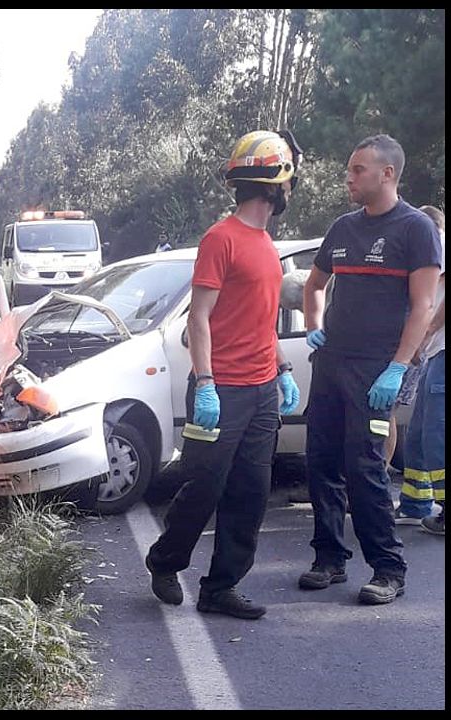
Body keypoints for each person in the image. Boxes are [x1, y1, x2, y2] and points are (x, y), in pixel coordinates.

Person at [145, 130, 304, 620]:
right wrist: (207, 383)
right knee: (205, 486)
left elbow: (261, 319)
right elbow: (198, 317)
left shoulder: (264, 243)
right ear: (276, 185)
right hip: (222, 389)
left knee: (251, 493)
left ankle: (220, 588)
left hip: (261, 392)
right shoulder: (222, 238)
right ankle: (165, 561)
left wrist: (281, 369)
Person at [298, 135, 442, 604]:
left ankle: (388, 568)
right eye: (349, 168)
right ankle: (329, 559)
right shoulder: (342, 228)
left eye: (358, 169)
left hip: (375, 371)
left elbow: (423, 305)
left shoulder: (416, 229)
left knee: (365, 467)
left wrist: (398, 367)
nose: (349, 178)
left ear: (388, 174)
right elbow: (314, 286)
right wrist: (313, 327)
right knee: (321, 461)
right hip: (331, 363)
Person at [396, 205, 445, 532]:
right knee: (417, 434)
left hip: (442, 349)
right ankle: (415, 503)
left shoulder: (438, 241)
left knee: (436, 433)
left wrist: (425, 332)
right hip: (434, 352)